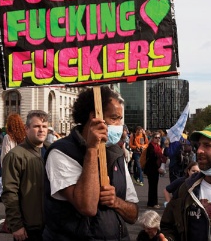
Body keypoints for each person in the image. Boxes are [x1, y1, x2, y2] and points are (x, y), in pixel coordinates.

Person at [43, 86, 139, 240]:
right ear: (95, 117)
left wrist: (116, 202)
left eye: (120, 119)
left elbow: (133, 214)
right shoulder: (60, 152)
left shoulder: (116, 153)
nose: (119, 125)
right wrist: (92, 149)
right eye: (114, 118)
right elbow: (87, 206)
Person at [1, 110, 47, 241]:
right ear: (26, 129)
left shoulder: (52, 151)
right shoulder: (15, 155)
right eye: (36, 126)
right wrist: (16, 225)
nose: (41, 130)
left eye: (44, 126)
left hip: (51, 225)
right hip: (29, 226)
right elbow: (10, 193)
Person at [145, 131, 166, 208]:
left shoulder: (157, 146)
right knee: (152, 186)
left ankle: (153, 202)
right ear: (152, 138)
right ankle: (152, 203)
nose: (157, 139)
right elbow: (152, 158)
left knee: (154, 186)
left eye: (159, 138)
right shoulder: (151, 146)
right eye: (156, 137)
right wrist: (158, 167)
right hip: (152, 169)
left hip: (155, 168)